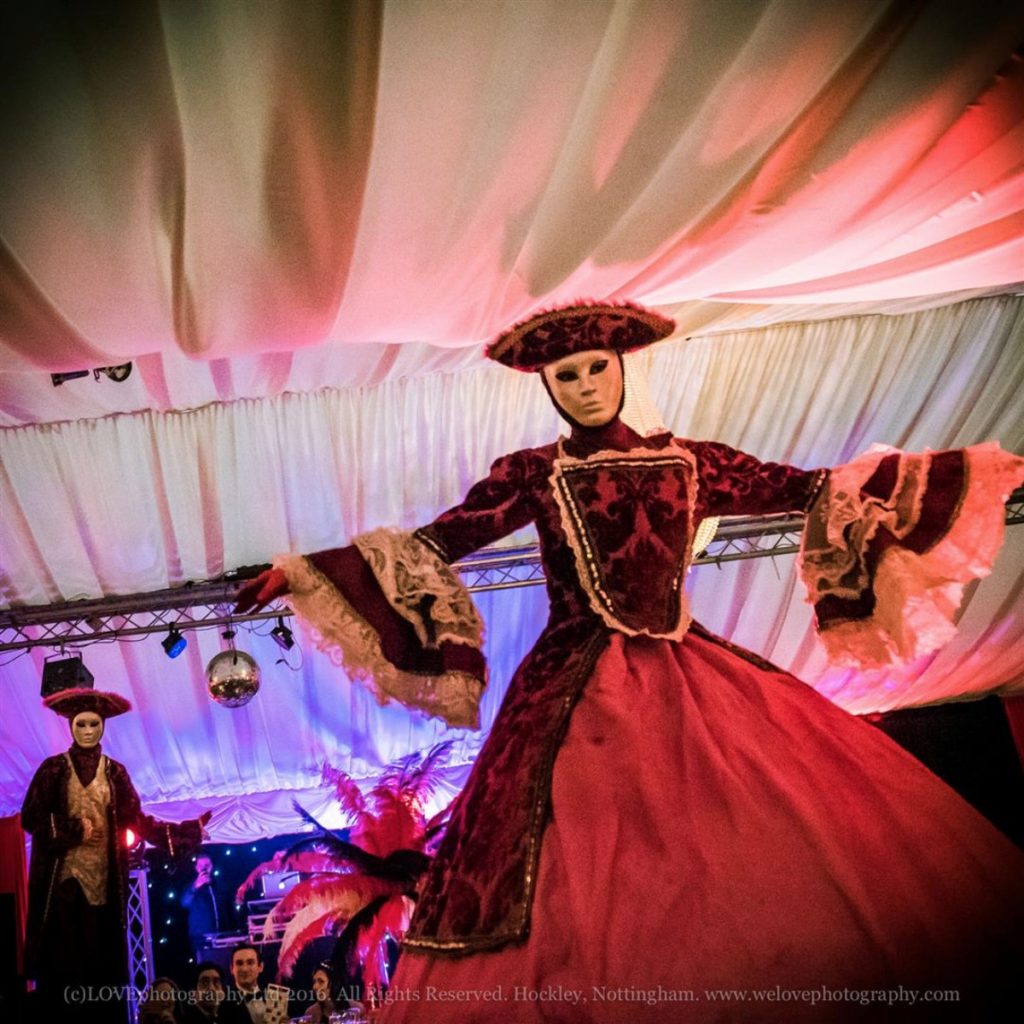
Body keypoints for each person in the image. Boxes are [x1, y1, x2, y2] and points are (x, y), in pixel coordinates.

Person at [236, 301, 1024, 1022]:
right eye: (566, 374)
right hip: (570, 685)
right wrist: (306, 571)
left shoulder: (693, 463)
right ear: (548, 385)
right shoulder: (531, 473)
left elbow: (811, 487)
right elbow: (438, 543)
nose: (584, 385)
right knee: (573, 859)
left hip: (694, 674)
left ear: (622, 367)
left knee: (749, 840)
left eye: (596, 368)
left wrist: (956, 476)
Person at [21, 686, 209, 1022]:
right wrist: (73, 829)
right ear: (72, 726)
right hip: (62, 885)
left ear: (103, 726)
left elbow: (137, 820)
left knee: (100, 973)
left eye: (94, 724)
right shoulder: (53, 770)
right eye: (82, 724)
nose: (88, 731)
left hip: (104, 887)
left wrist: (186, 832)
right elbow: (31, 818)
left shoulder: (115, 773)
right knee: (64, 971)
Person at [181, 854, 223, 962]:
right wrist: (196, 886)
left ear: (212, 866)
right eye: (201, 866)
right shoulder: (191, 886)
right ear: (196, 868)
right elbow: (184, 903)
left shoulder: (218, 885)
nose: (204, 869)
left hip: (220, 935)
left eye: (207, 865)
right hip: (200, 937)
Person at [219, 942, 267, 1024]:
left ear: (260, 967)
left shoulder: (274, 995)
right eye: (239, 963)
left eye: (250, 962)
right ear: (231, 969)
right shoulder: (222, 1004)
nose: (244, 969)